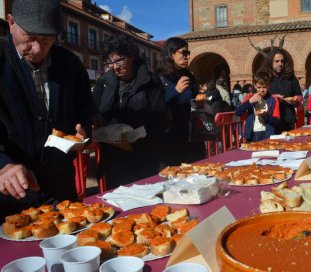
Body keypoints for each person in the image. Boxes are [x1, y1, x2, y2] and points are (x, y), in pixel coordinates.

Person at [0, 0, 97, 220]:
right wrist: (3, 166)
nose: (37, 49)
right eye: (30, 38)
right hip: (7, 199)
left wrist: (83, 134)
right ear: (12, 23)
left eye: (46, 40)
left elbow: (85, 111)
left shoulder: (70, 64)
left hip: (59, 190)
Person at [93, 34, 166, 189]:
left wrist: (133, 146)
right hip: (112, 160)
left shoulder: (151, 82)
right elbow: (93, 110)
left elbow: (160, 121)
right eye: (109, 61)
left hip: (144, 159)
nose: (115, 66)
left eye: (119, 60)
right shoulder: (104, 83)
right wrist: (96, 118)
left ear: (131, 56)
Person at [155, 37, 205, 164]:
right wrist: (175, 91)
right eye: (184, 53)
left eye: (188, 53)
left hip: (191, 135)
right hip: (170, 138)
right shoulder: (159, 77)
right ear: (171, 54)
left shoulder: (189, 76)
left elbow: (193, 99)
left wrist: (200, 98)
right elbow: (157, 106)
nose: (188, 57)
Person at [259, 49, 302, 132]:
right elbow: (257, 95)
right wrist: (273, 98)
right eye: (277, 61)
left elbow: (299, 94)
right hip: (269, 121)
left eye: (282, 61)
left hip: (288, 120)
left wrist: (296, 100)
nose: (280, 64)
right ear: (270, 62)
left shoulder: (290, 77)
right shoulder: (264, 77)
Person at [235, 71, 281, 141]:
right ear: (255, 85)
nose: (262, 90)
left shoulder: (273, 99)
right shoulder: (250, 97)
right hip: (251, 135)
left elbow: (277, 121)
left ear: (269, 85)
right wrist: (250, 101)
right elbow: (238, 112)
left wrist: (265, 115)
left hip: (268, 134)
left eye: (264, 87)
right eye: (259, 87)